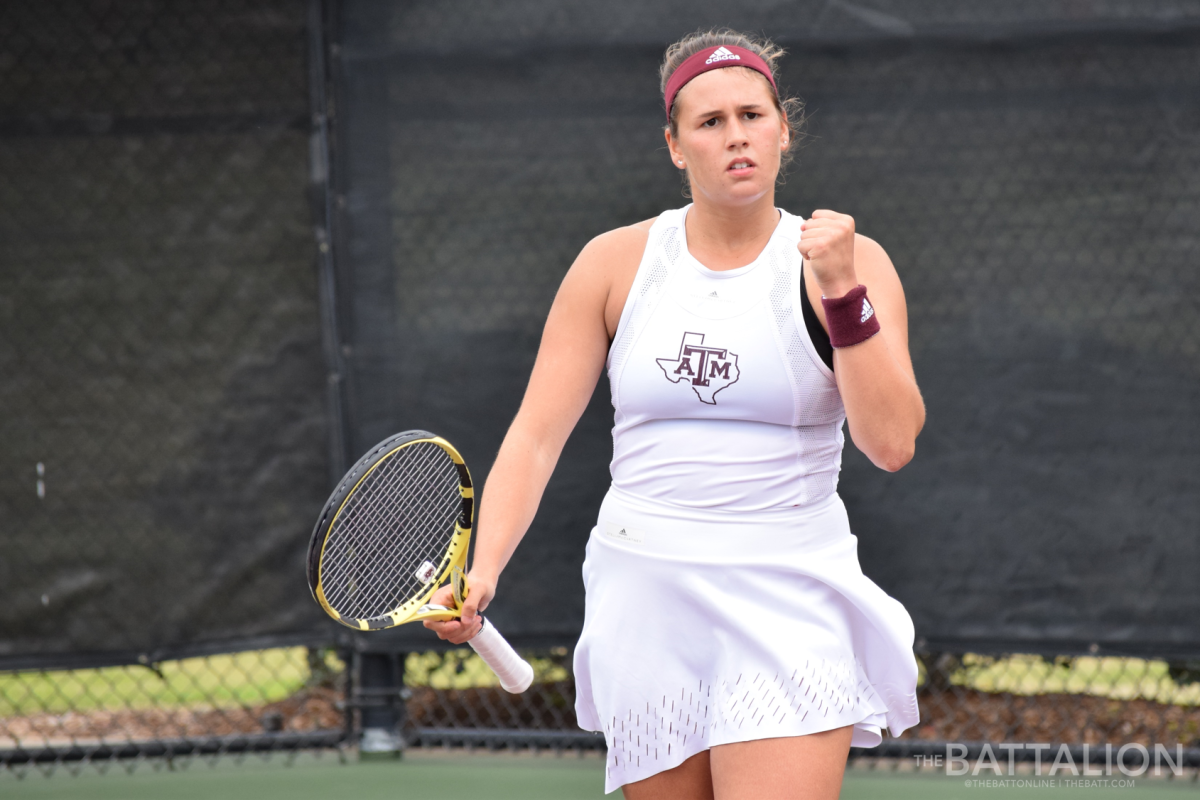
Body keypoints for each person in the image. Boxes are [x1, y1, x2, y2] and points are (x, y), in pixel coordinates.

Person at [425, 28, 925, 800]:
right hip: (645, 596)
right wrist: (483, 569)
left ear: (783, 130)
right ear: (674, 145)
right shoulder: (612, 264)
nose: (737, 138)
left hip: (790, 591)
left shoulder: (853, 263)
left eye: (753, 116)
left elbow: (891, 444)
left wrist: (842, 292)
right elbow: (535, 436)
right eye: (711, 122)